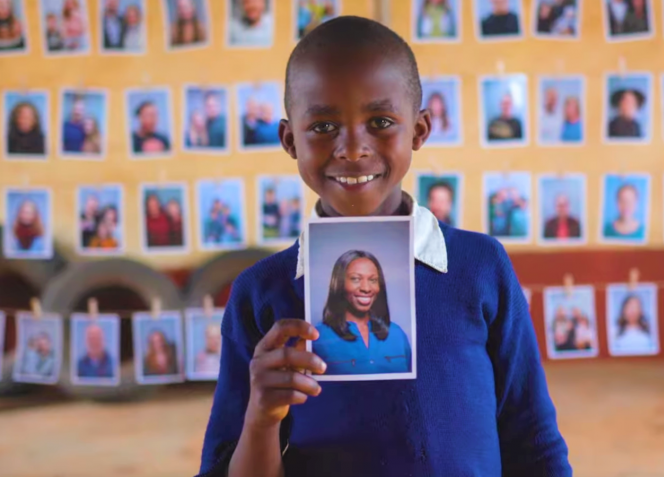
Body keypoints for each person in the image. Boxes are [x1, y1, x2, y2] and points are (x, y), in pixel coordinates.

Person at [197, 16, 570, 477]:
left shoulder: (479, 266)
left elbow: (532, 439)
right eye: (323, 126)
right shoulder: (262, 292)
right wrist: (261, 417)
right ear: (290, 140)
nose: (352, 148)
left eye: (380, 122)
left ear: (419, 131)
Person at [314, 250, 412, 375]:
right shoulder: (317, 337)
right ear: (339, 284)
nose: (366, 288)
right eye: (355, 279)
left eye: (373, 280)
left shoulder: (397, 334)